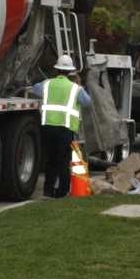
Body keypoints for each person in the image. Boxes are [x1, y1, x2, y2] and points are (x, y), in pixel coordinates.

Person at [28, 55, 92, 198]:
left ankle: (48, 190)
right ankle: (62, 191)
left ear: (57, 70)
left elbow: (35, 89)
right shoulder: (76, 88)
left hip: (48, 127)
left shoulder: (47, 84)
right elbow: (87, 102)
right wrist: (81, 86)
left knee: (50, 160)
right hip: (66, 128)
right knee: (63, 161)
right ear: (70, 72)